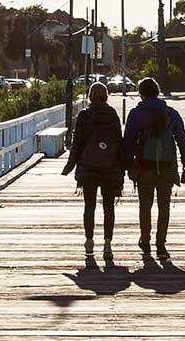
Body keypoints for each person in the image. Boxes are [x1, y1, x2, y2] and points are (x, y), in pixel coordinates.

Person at [125, 77, 185, 257]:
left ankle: (145, 241)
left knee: (145, 206)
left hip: (144, 167)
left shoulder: (136, 114)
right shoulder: (171, 113)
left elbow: (128, 142)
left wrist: (127, 165)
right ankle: (161, 245)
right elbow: (182, 141)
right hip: (167, 167)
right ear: (157, 91)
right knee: (164, 207)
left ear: (141, 93)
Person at [60, 83, 126, 257]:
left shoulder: (84, 115)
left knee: (89, 206)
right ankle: (107, 245)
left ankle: (89, 242)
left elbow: (77, 144)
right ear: (105, 96)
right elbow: (118, 142)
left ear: (90, 96)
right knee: (108, 207)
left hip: (88, 167)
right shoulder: (112, 115)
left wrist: (70, 165)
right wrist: (125, 167)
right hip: (109, 168)